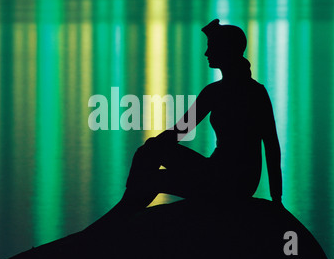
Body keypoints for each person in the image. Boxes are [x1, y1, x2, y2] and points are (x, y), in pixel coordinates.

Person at [85, 19, 283, 233]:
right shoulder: (223, 91)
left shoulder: (247, 93)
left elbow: (271, 146)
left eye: (212, 47)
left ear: (226, 51)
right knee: (152, 153)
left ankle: (121, 216)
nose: (207, 53)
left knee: (154, 176)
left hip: (231, 182)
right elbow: (180, 131)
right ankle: (125, 209)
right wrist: (151, 148)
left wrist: (276, 199)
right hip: (220, 173)